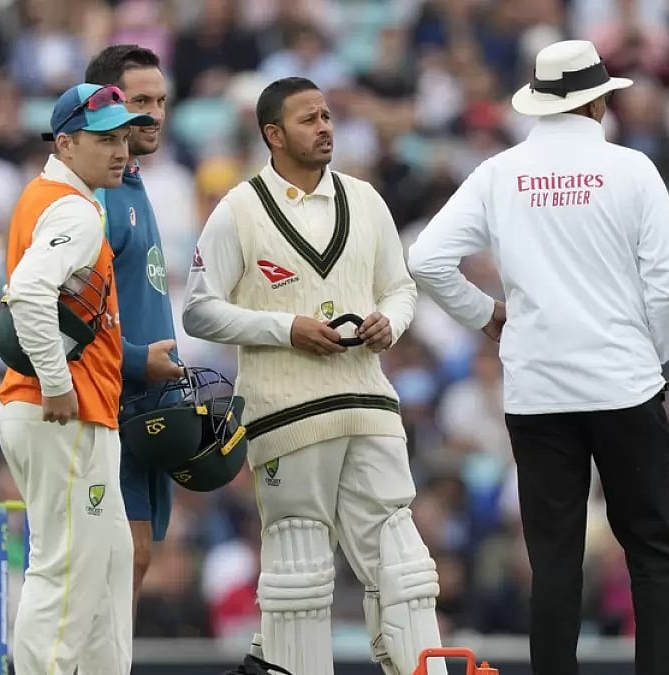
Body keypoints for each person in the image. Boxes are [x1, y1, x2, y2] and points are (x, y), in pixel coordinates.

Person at [406, 39, 669, 675]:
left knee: (554, 557)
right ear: (596, 103)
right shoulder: (632, 168)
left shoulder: (499, 172)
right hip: (623, 384)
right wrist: (652, 354)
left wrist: (485, 315)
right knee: (650, 550)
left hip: (538, 392)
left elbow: (425, 259)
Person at [181, 76, 446, 675]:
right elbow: (199, 309)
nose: (325, 126)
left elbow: (400, 288)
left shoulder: (366, 198)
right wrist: (286, 328)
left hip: (371, 404)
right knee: (299, 569)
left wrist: (391, 324)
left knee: (403, 562)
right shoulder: (240, 209)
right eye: (308, 119)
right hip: (286, 415)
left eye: (327, 115)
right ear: (273, 134)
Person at [0, 82, 153, 675]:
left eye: (122, 138)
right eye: (103, 139)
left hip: (69, 410)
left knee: (108, 563)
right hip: (61, 408)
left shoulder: (49, 196)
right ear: (65, 143)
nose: (120, 151)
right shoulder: (73, 208)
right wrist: (57, 382)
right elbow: (29, 294)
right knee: (64, 571)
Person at [82, 43, 187, 615]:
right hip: (108, 402)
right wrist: (133, 360)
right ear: (108, 105)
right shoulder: (95, 195)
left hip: (146, 404)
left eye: (162, 100)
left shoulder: (136, 184)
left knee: (137, 556)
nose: (155, 113)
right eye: (140, 100)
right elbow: (65, 316)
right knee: (118, 557)